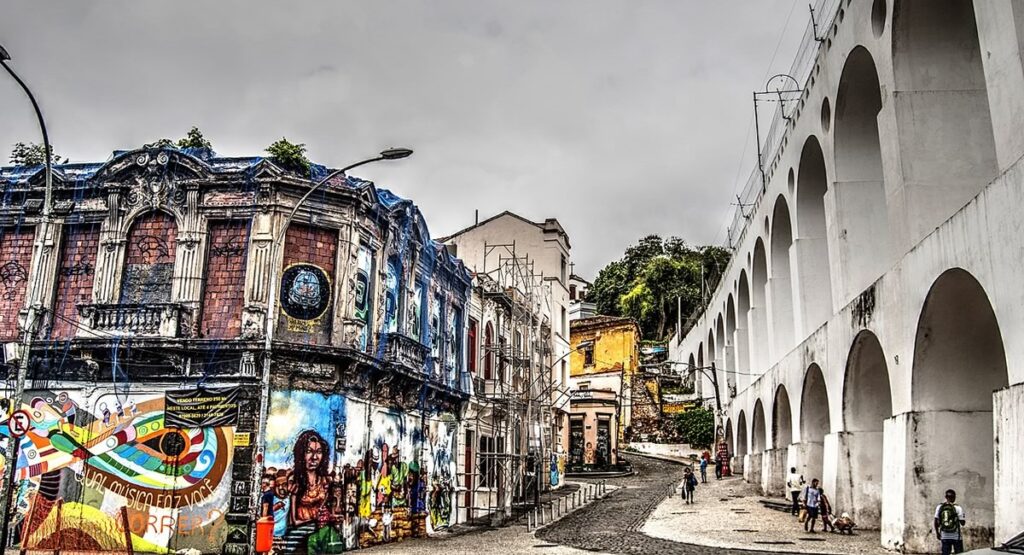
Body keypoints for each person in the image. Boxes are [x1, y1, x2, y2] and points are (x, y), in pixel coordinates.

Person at [934, 489, 966, 555]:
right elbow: (962, 523)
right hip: (956, 537)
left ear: (946, 497)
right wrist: (963, 517)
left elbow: (936, 521)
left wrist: (937, 533)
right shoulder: (958, 508)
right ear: (954, 497)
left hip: (944, 536)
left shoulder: (939, 507)